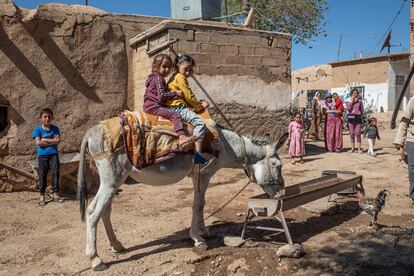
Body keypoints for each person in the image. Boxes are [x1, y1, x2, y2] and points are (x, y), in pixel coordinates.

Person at [143, 53, 197, 150]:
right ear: (155, 67)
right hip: (154, 106)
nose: (167, 70)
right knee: (174, 115)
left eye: (169, 67)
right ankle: (182, 137)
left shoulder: (153, 78)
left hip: (149, 105)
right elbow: (161, 96)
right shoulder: (159, 78)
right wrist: (175, 93)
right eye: (164, 66)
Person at [167, 54, 209, 164]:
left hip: (172, 106)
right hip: (177, 107)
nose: (188, 73)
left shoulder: (174, 76)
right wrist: (200, 106)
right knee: (200, 123)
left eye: (190, 71)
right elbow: (189, 96)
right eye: (186, 69)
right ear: (178, 65)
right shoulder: (180, 77)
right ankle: (198, 155)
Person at [32, 108, 63, 206]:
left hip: (54, 154)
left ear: (52, 117)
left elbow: (57, 141)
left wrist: (45, 140)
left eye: (49, 116)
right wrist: (52, 140)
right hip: (42, 155)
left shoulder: (55, 128)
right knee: (42, 176)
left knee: (55, 174)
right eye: (45, 117)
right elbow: (38, 142)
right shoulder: (38, 129)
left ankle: (55, 195)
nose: (47, 118)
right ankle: (42, 196)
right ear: (41, 118)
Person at [394, 96, 414, 207]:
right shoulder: (413, 100)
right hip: (412, 139)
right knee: (412, 169)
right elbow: (405, 119)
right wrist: (399, 140)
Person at [346, 89, 364, 153]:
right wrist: (353, 101)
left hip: (358, 118)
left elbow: (362, 110)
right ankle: (352, 149)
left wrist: (361, 116)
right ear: (352, 94)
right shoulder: (348, 101)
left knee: (358, 133)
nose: (355, 94)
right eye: (354, 93)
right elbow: (348, 109)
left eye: (356, 93)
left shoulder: (360, 101)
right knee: (352, 133)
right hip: (351, 118)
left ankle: (359, 149)